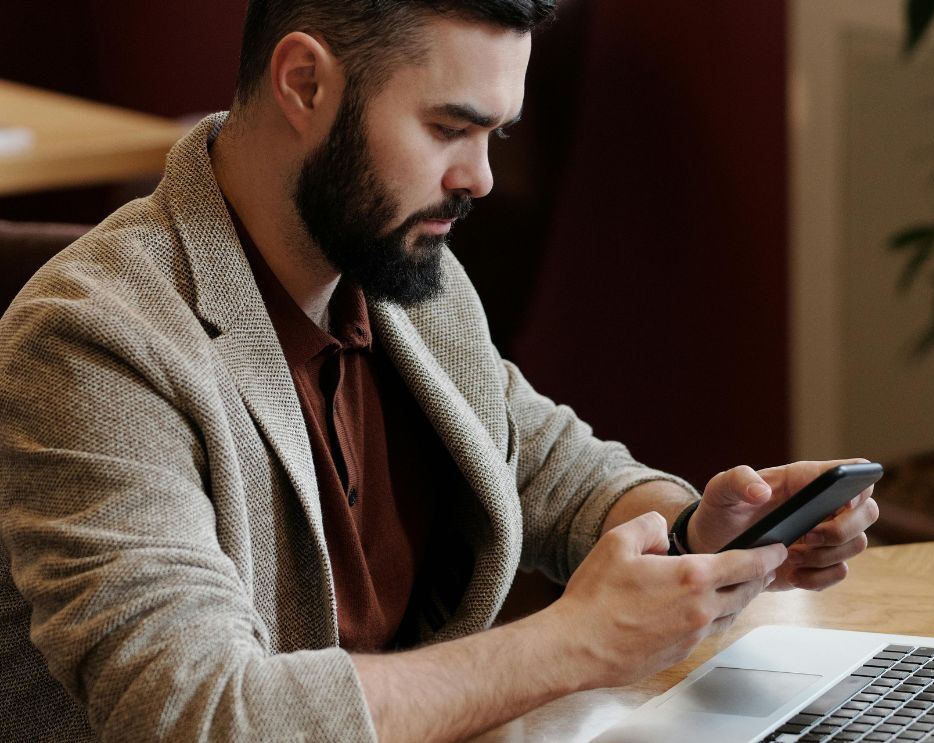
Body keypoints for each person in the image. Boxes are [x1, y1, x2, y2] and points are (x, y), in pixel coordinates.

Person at [0, 1, 879, 741]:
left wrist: (697, 531)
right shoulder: (90, 342)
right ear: (303, 83)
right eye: (448, 127)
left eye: (495, 133)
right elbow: (203, 712)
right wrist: (572, 644)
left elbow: (536, 458)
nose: (482, 177)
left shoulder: (395, 263)